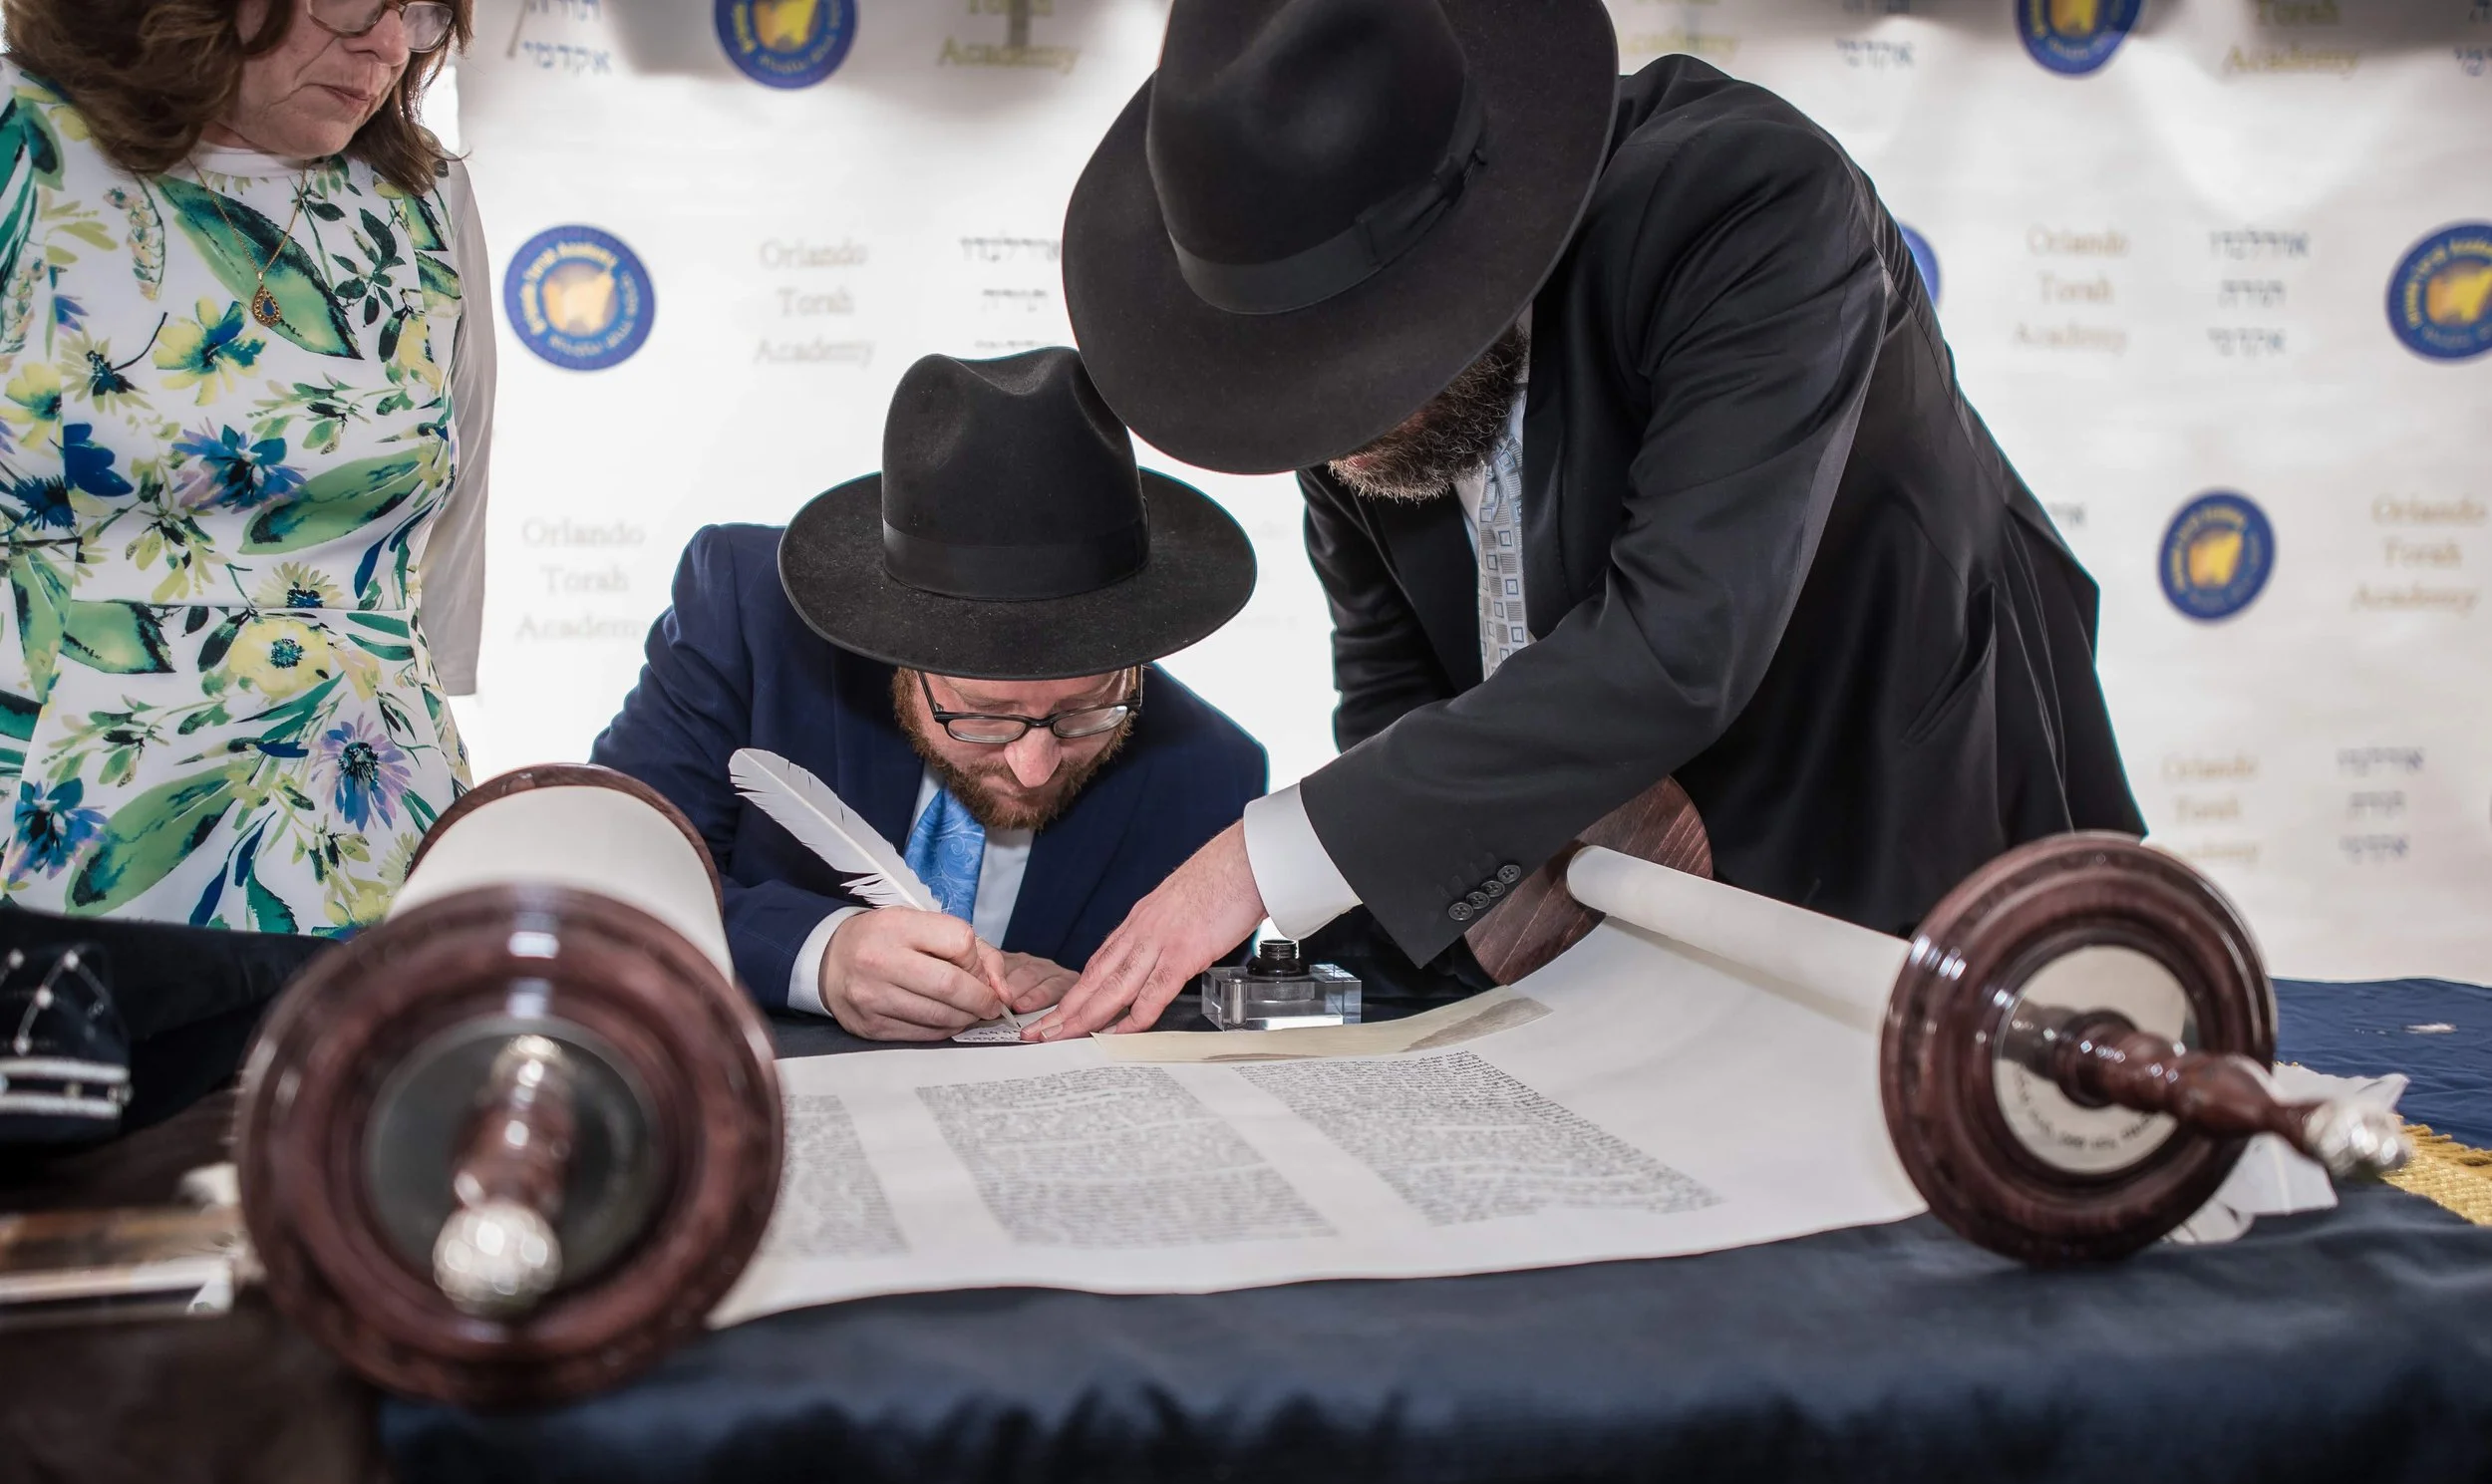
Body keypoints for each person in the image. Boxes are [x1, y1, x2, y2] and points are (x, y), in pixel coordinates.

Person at [1033, 0, 2144, 1039]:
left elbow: (1680, 641)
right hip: (1616, 898)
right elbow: (1392, 691)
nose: (1329, 426)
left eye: (1360, 357)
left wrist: (1262, 859)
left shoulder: (1746, 202)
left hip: (1891, 810)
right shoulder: (1330, 382)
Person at [591, 348, 1266, 1040]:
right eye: (985, 716)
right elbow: (599, 874)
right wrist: (818, 955)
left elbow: (1194, 1038)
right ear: (898, 648)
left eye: (1084, 711)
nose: (1034, 769)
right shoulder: (746, 621)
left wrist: (1106, 1007)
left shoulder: (1211, 784)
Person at [0, 0, 490, 934]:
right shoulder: (19, 143)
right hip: (63, 824)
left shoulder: (428, 198)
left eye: (422, 10)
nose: (390, 45)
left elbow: (445, 548)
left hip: (367, 825)